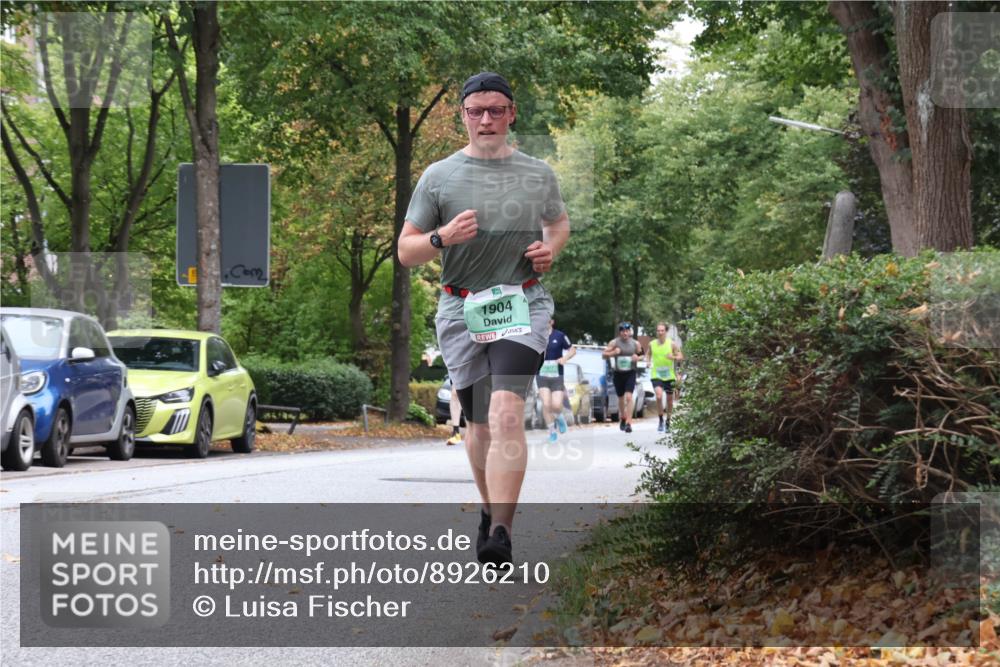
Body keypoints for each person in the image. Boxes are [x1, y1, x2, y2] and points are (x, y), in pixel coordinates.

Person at [397, 72, 570, 565]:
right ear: (464, 116)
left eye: (497, 110)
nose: (487, 119)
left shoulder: (537, 174)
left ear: (512, 114)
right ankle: (489, 506)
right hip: (462, 310)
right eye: (477, 111)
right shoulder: (438, 176)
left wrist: (548, 249)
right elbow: (406, 252)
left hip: (523, 304)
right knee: (478, 424)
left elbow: (558, 224)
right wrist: (442, 237)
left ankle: (501, 531)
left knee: (506, 411)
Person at [537, 318, 576, 442]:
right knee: (546, 404)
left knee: (556, 405)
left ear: (551, 322)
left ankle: (559, 417)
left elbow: (572, 350)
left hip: (557, 375)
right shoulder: (536, 336)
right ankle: (552, 432)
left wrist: (565, 358)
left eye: (546, 320)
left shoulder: (559, 336)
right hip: (541, 374)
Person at [603, 322, 642, 433]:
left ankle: (629, 423)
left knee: (629, 397)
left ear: (630, 332)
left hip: (630, 372)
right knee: (621, 398)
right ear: (620, 332)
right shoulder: (614, 342)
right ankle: (623, 418)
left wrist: (637, 357)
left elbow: (642, 354)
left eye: (627, 331)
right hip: (618, 373)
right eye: (623, 331)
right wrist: (613, 352)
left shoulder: (635, 343)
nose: (625, 333)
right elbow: (603, 355)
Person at [645, 321, 684, 432]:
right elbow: (648, 354)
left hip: (669, 376)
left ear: (666, 332)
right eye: (658, 330)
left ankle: (668, 420)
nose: (660, 332)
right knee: (658, 396)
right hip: (656, 374)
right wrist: (647, 362)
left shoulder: (671, 344)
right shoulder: (652, 344)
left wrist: (673, 357)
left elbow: (681, 356)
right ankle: (661, 419)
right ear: (656, 332)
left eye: (662, 330)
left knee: (670, 400)